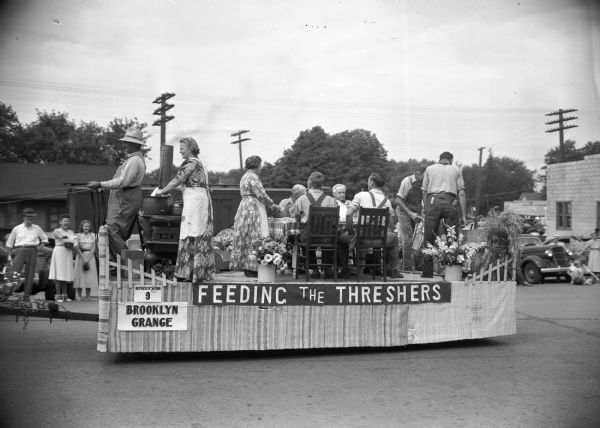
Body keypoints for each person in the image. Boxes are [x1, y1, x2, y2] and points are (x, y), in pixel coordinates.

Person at [155, 137, 215, 283]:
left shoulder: (190, 163)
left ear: (190, 148)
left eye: (182, 148)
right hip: (200, 200)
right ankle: (199, 272)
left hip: (195, 203)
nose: (180, 150)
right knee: (199, 233)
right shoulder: (200, 163)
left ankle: (188, 273)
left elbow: (178, 179)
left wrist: (161, 191)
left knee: (190, 234)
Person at [87, 127, 147, 263]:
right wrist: (103, 188)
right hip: (125, 200)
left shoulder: (134, 161)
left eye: (127, 142)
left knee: (112, 230)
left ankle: (130, 264)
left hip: (124, 201)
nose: (124, 145)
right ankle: (118, 264)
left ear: (134, 144)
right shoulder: (134, 160)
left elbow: (123, 181)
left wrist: (100, 184)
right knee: (117, 233)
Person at [346, 172, 402, 279]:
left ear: (371, 182)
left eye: (368, 180)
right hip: (380, 240)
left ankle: (348, 269)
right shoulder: (387, 201)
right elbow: (392, 222)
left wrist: (350, 232)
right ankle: (394, 270)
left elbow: (348, 214)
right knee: (394, 238)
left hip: (361, 239)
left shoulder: (360, 196)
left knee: (342, 238)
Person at [230, 155, 278, 277]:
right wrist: (272, 205)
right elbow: (261, 194)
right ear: (257, 165)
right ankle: (254, 268)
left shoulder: (244, 176)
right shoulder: (253, 177)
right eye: (260, 165)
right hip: (253, 207)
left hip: (244, 206)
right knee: (256, 235)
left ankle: (246, 266)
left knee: (245, 236)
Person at [421, 151, 467, 278]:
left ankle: (427, 273)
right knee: (452, 238)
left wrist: (426, 208)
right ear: (451, 160)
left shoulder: (429, 169)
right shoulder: (456, 170)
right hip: (450, 202)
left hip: (432, 201)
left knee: (429, 237)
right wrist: (464, 215)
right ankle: (452, 272)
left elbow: (424, 191)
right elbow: (462, 193)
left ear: (439, 159)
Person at [293, 172, 338, 279]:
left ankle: (314, 269)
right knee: (329, 238)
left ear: (309, 184)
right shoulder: (331, 200)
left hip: (309, 237)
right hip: (327, 238)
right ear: (322, 185)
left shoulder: (301, 199)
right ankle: (328, 268)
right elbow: (335, 220)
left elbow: (297, 217)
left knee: (305, 239)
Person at [5, 208, 49, 305]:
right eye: (28, 216)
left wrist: (41, 246)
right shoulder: (17, 228)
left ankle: (26, 296)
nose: (29, 218)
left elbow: (45, 238)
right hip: (19, 250)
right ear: (23, 217)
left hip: (32, 250)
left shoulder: (37, 228)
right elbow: (9, 243)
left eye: (31, 217)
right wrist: (10, 256)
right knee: (14, 272)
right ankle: (7, 294)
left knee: (30, 274)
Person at [396, 165, 426, 271]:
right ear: (418, 173)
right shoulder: (407, 182)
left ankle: (418, 265)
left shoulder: (425, 183)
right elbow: (398, 200)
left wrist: (422, 213)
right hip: (404, 211)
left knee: (418, 239)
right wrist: (410, 213)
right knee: (408, 238)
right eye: (425, 176)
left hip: (416, 212)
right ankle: (407, 267)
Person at [49, 214, 76, 302]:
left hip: (68, 253)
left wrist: (72, 242)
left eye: (68, 221)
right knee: (58, 274)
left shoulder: (71, 232)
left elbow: (74, 242)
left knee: (65, 273)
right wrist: (68, 240)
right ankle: (58, 295)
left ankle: (65, 294)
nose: (66, 223)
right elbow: (60, 237)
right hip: (59, 252)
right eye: (65, 221)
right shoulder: (57, 230)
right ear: (60, 222)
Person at [74, 219, 98, 300]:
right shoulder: (77, 235)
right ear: (82, 227)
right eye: (85, 226)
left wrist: (88, 258)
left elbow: (94, 247)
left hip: (90, 256)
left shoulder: (93, 235)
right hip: (81, 255)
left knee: (89, 275)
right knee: (79, 275)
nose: (86, 227)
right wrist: (83, 257)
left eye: (88, 226)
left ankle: (88, 296)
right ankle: (79, 295)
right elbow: (76, 247)